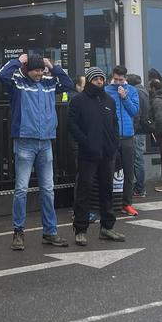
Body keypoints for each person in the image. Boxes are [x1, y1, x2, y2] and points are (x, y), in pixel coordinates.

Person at [0, 51, 74, 250]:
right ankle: (18, 232)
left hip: (45, 141)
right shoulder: (17, 84)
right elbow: (1, 75)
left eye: (42, 69)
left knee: (48, 189)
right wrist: (19, 60)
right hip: (25, 141)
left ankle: (50, 232)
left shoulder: (49, 83)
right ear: (28, 69)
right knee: (21, 189)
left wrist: (53, 66)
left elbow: (68, 84)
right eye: (36, 70)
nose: (40, 73)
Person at [68, 67, 126, 246]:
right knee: (84, 191)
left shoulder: (109, 100)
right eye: (96, 79)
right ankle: (80, 230)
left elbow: (114, 124)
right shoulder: (78, 100)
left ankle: (107, 227)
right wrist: (85, 142)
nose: (100, 82)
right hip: (88, 153)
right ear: (89, 81)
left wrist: (114, 144)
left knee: (106, 190)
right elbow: (72, 124)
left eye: (101, 79)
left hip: (107, 153)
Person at [105, 68, 142, 215]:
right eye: (116, 79)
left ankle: (127, 203)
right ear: (113, 78)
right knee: (108, 172)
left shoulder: (132, 90)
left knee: (128, 171)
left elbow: (134, 111)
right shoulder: (107, 90)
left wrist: (125, 97)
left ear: (125, 78)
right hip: (112, 137)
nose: (118, 82)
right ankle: (106, 205)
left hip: (127, 136)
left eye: (121, 80)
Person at [128, 73, 152, 199]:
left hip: (137, 131)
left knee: (137, 160)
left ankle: (140, 188)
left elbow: (137, 113)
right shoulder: (144, 91)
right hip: (141, 130)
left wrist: (133, 128)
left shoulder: (136, 92)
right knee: (139, 159)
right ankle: (140, 187)